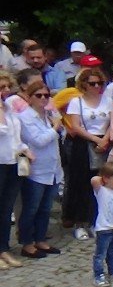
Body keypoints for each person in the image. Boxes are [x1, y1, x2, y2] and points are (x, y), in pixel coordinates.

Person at [64, 67, 112, 240]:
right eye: (92, 83)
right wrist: (95, 139)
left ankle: (95, 220)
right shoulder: (77, 102)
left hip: (104, 142)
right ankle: (80, 222)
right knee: (81, 183)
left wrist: (105, 139)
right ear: (84, 84)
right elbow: (75, 126)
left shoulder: (107, 100)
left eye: (100, 83)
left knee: (102, 183)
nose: (97, 86)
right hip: (83, 143)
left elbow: (112, 121)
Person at [17, 80, 64, 259]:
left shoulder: (49, 114)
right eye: (39, 95)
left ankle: (40, 239)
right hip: (36, 169)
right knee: (31, 207)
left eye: (46, 95)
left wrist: (58, 126)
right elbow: (39, 140)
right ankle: (27, 242)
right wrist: (56, 127)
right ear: (30, 98)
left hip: (53, 167)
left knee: (45, 208)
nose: (44, 99)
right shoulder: (25, 117)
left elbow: (60, 137)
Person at [0, 71, 29, 269]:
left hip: (12, 162)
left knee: (6, 209)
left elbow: (16, 137)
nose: (5, 91)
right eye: (1, 88)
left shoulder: (9, 108)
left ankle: (4, 248)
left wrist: (25, 153)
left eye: (6, 87)